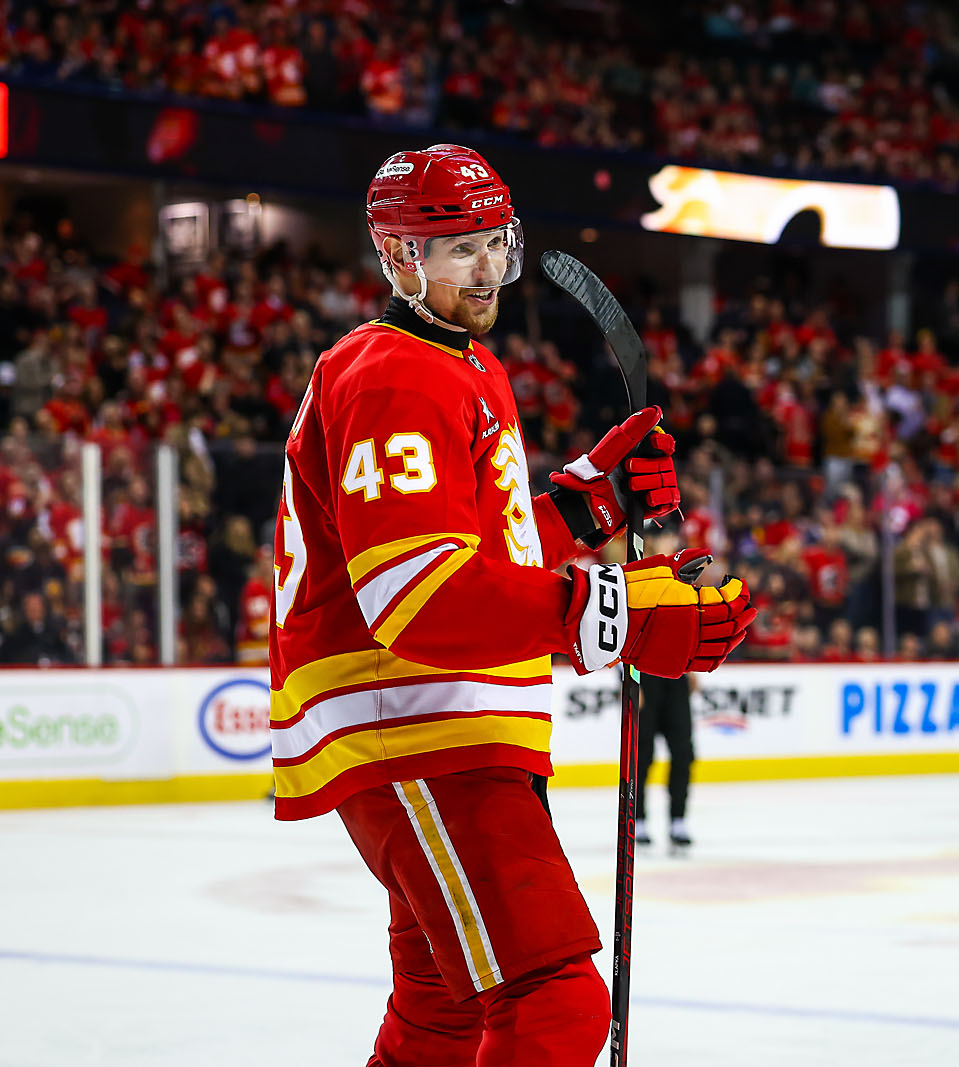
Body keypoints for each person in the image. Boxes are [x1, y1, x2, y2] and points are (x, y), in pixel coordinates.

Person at [269, 144, 756, 1067]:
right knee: (555, 999)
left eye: (496, 242)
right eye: (459, 249)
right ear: (399, 257)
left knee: (442, 1019)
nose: (488, 268)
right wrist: (618, 609)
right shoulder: (393, 372)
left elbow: (477, 555)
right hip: (413, 720)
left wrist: (584, 504)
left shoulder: (460, 366)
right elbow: (417, 598)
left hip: (434, 723)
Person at [637, 670, 695, 849]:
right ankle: (637, 819)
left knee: (683, 753)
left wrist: (692, 669)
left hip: (677, 676)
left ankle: (678, 819)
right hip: (643, 677)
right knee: (641, 755)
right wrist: (626, 680)